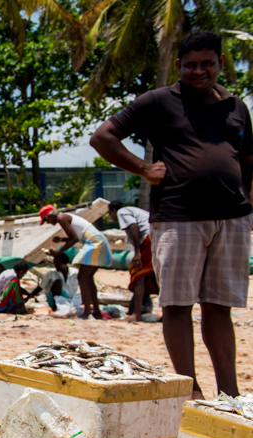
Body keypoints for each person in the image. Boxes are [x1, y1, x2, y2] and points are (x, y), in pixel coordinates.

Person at [89, 31, 252, 398]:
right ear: (178, 65)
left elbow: (248, 163)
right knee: (177, 306)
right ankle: (190, 390)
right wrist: (143, 168)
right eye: (190, 64)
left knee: (219, 307)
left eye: (207, 63)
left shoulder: (237, 107)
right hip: (178, 216)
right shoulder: (158, 101)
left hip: (233, 217)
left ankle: (230, 394)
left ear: (220, 63)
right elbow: (103, 137)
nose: (199, 71)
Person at [40, 205, 113, 320]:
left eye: (46, 220)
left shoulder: (61, 218)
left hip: (94, 242)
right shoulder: (65, 217)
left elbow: (74, 239)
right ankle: (96, 312)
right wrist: (61, 240)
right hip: (99, 240)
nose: (47, 223)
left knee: (82, 277)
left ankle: (87, 312)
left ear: (49, 216)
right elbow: (76, 237)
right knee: (88, 278)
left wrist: (59, 252)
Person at [107, 200, 157, 322]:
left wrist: (137, 252)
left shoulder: (122, 212)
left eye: (110, 214)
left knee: (138, 274)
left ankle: (137, 314)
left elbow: (134, 226)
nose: (111, 217)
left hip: (147, 239)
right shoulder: (135, 210)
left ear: (114, 210)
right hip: (156, 236)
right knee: (155, 274)